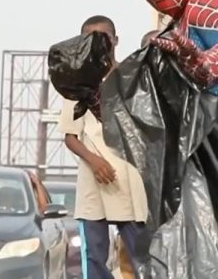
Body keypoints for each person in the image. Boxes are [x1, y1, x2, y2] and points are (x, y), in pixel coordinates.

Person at [59, 15, 148, 279]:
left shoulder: (134, 77)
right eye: (90, 38)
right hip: (94, 182)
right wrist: (94, 161)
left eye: (103, 37)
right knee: (94, 259)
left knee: (143, 261)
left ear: (115, 40)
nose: (97, 44)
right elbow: (70, 136)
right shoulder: (76, 83)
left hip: (132, 182)